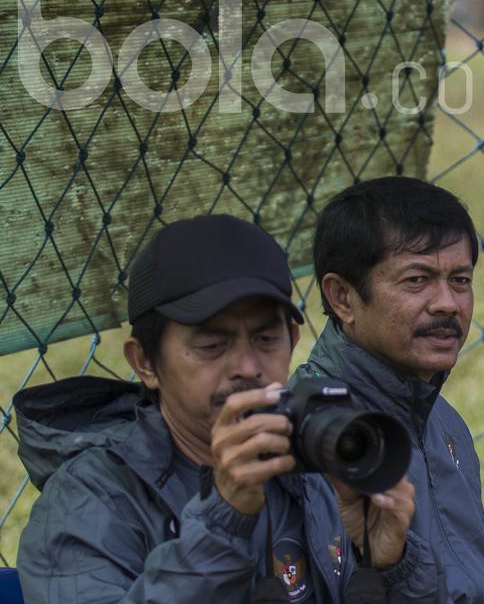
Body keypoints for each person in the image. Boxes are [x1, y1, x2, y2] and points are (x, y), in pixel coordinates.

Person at [16, 214, 442, 603]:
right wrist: (222, 522)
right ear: (145, 362)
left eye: (265, 340)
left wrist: (390, 569)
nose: (248, 367)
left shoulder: (317, 469)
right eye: (212, 345)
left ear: (293, 341)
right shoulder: (90, 501)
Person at [294, 176, 484, 603]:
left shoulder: (443, 422)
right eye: (417, 280)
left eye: (461, 280)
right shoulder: (310, 440)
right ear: (343, 298)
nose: (448, 303)